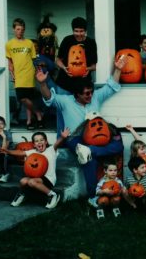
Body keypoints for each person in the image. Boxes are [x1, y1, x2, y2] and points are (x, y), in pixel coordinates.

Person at [35, 55, 127, 201]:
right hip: (75, 138)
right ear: (77, 94)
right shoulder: (66, 102)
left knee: (118, 146)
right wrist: (43, 84)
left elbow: (111, 87)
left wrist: (118, 69)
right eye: (86, 94)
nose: (90, 96)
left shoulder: (95, 96)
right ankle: (93, 197)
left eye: (91, 92)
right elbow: (49, 99)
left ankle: (91, 150)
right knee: (89, 161)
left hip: (97, 137)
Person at [4, 129, 69, 209]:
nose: (39, 142)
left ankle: (52, 195)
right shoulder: (33, 152)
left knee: (31, 182)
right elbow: (21, 153)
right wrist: (8, 151)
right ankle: (23, 194)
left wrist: (62, 137)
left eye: (42, 140)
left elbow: (57, 144)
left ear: (46, 142)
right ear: (34, 144)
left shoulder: (51, 150)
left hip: (48, 179)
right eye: (37, 141)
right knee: (23, 181)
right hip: (36, 177)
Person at [6, 18, 43, 130]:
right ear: (13, 29)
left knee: (29, 98)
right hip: (18, 74)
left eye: (22, 29)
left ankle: (29, 121)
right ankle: (38, 114)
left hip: (29, 73)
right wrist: (11, 73)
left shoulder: (29, 43)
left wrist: (38, 71)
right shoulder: (9, 44)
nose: (20, 31)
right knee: (22, 98)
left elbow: (34, 60)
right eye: (17, 29)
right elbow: (10, 61)